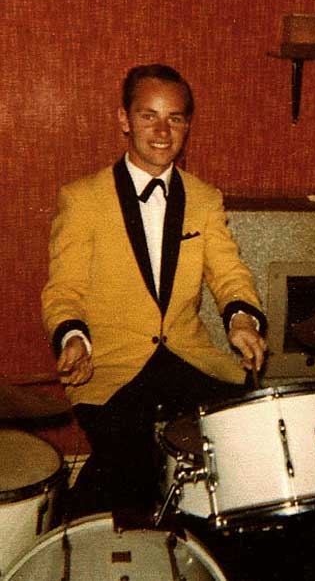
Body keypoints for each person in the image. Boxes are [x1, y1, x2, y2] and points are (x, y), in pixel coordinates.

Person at [42, 63, 267, 520]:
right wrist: (73, 338)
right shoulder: (82, 198)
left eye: (176, 118)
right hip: (110, 364)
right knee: (130, 467)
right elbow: (63, 290)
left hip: (185, 354)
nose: (163, 132)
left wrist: (241, 318)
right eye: (149, 116)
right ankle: (75, 533)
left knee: (246, 433)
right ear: (124, 119)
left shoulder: (204, 199)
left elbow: (229, 274)